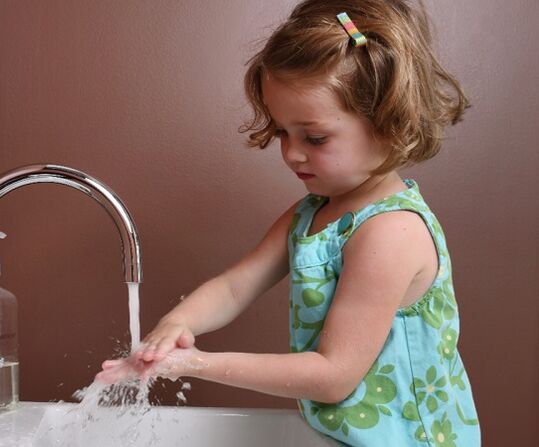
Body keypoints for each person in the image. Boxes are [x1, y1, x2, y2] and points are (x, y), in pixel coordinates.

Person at [96, 0, 480, 445]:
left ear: (388, 124)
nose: (291, 153)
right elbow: (234, 287)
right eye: (282, 132)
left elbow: (333, 375)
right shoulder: (311, 213)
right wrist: (175, 326)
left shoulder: (391, 233)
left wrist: (192, 363)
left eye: (314, 137)